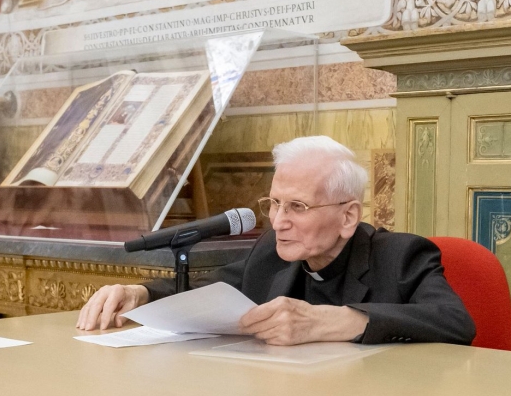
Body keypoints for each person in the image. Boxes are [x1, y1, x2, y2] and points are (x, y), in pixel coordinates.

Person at [77, 136, 476, 346]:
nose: (279, 221)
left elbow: (456, 322)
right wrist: (140, 293)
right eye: (275, 203)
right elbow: (214, 288)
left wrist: (340, 321)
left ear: (348, 216)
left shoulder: (400, 255)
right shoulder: (272, 250)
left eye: (298, 207)